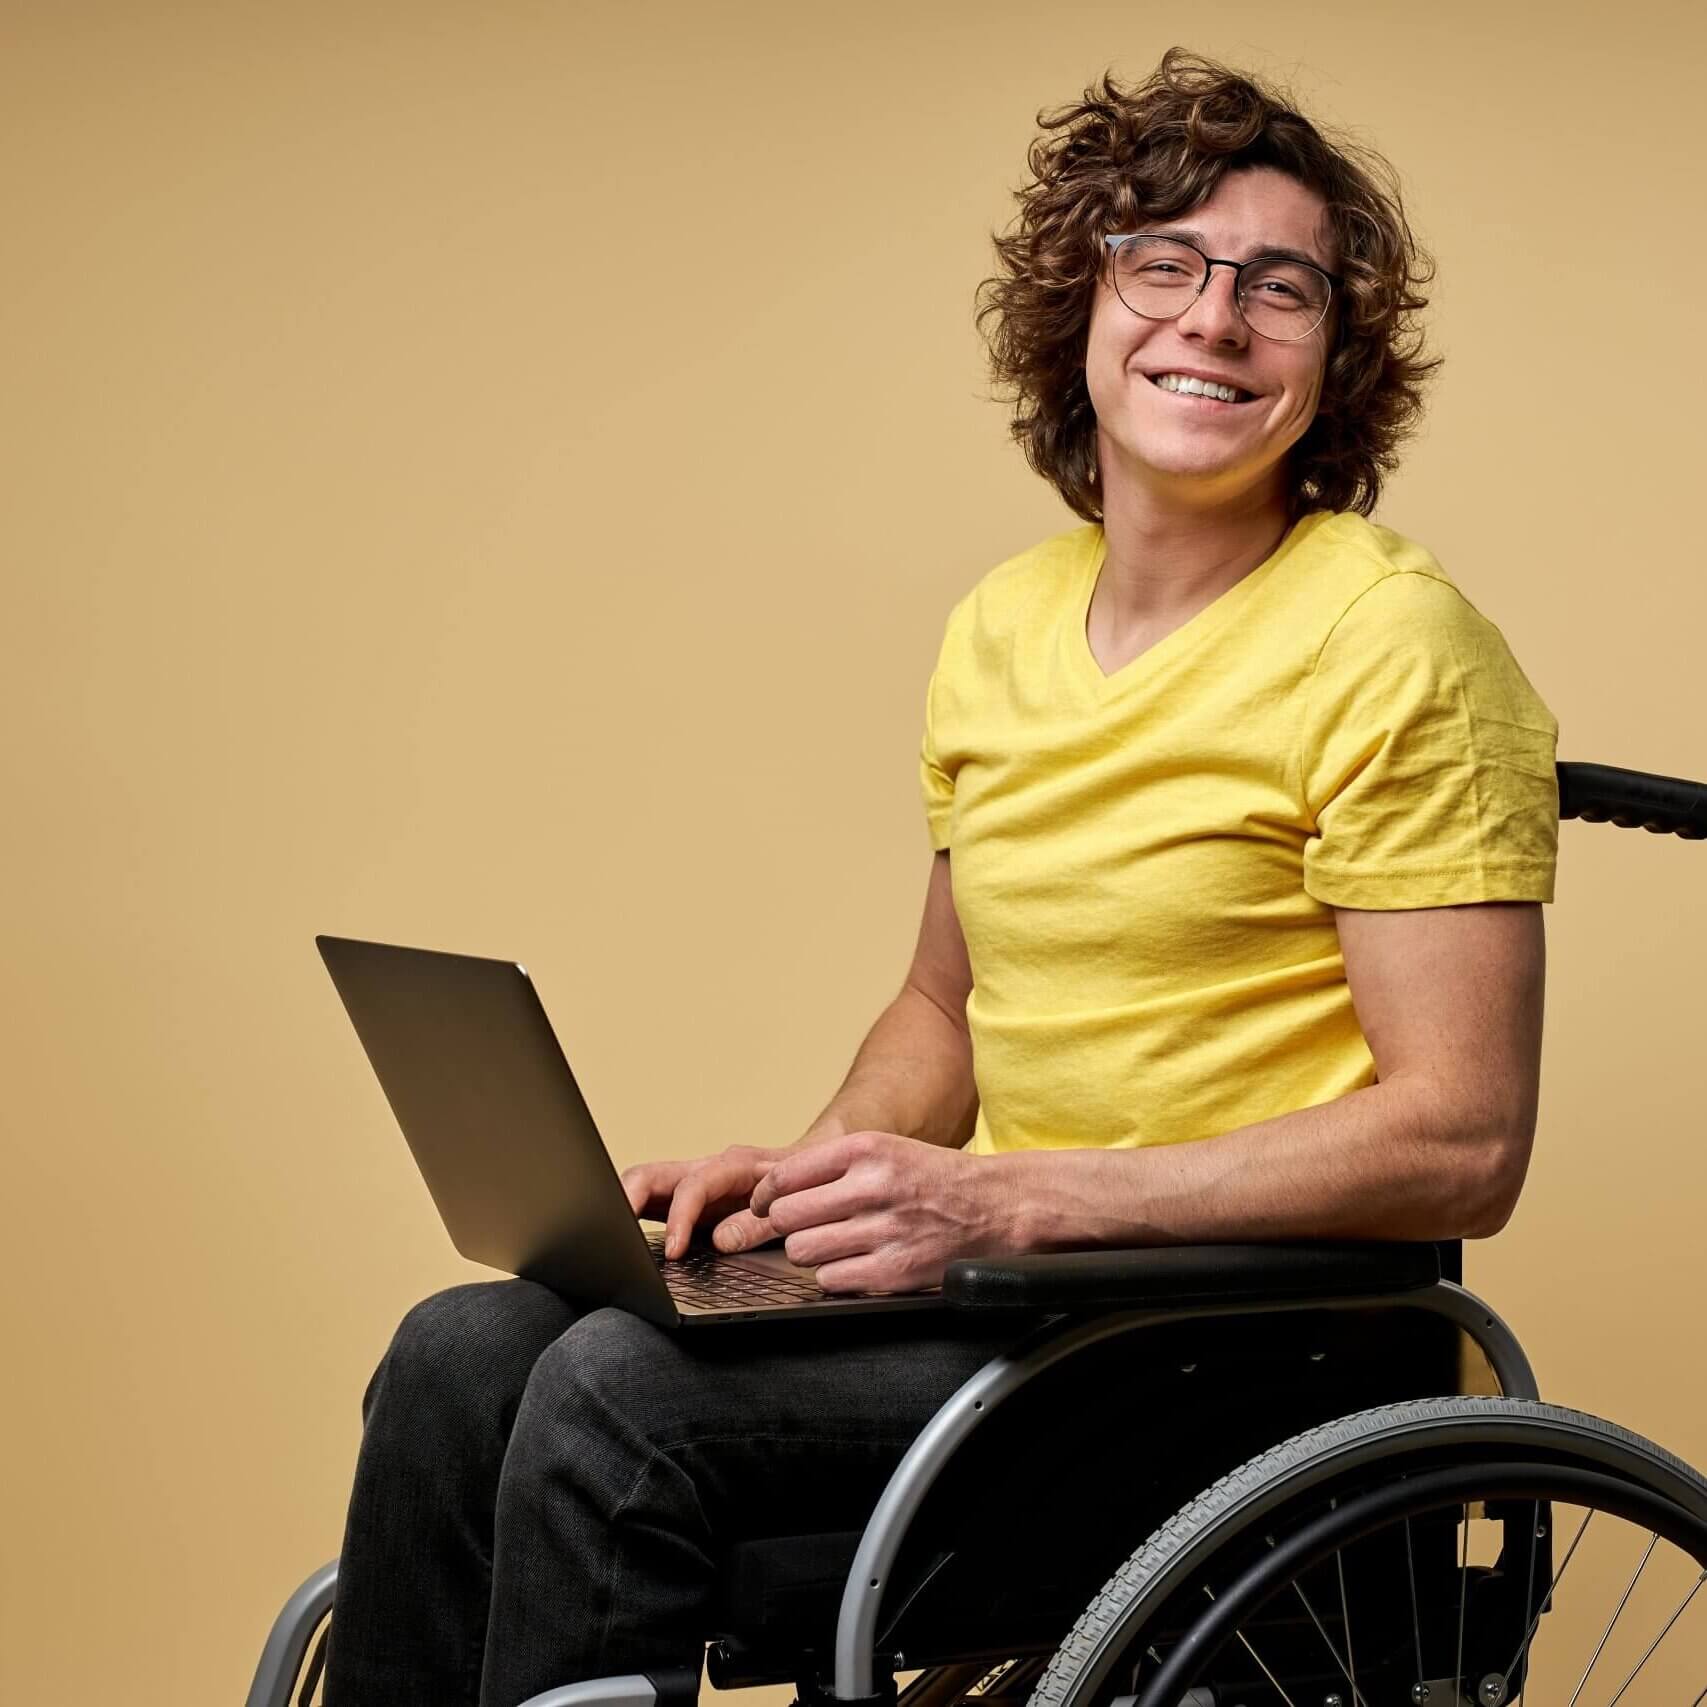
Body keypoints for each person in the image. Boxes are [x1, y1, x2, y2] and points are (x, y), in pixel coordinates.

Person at [322, 46, 1558, 1706]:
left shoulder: (1396, 646)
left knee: (612, 1399)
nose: (1217, 318)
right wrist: (812, 1180)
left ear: (1334, 362)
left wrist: (1017, 1195)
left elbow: (1462, 1139)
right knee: (461, 1353)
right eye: (1166, 264)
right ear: (1084, 308)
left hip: (1244, 1348)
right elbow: (941, 1005)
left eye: (1283, 288)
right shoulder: (1006, 624)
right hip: (1018, 1300)